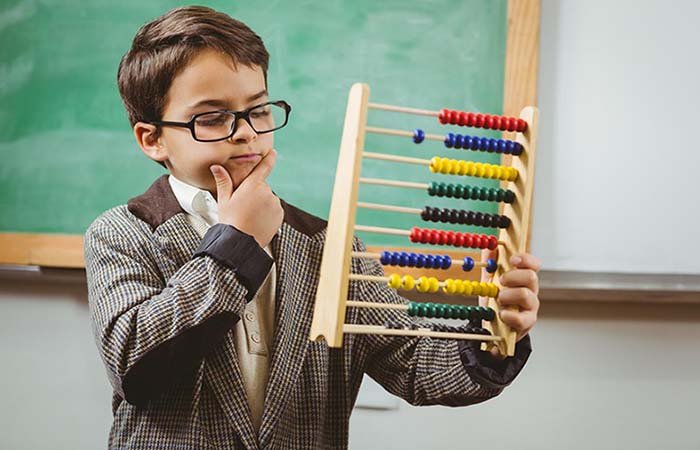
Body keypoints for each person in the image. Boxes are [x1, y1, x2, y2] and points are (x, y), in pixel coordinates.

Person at [84, 6, 541, 449]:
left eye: (258, 110)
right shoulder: (124, 233)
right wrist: (237, 245)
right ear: (152, 138)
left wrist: (494, 334)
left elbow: (414, 364)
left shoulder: (326, 247)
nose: (246, 132)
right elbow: (133, 363)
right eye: (212, 117)